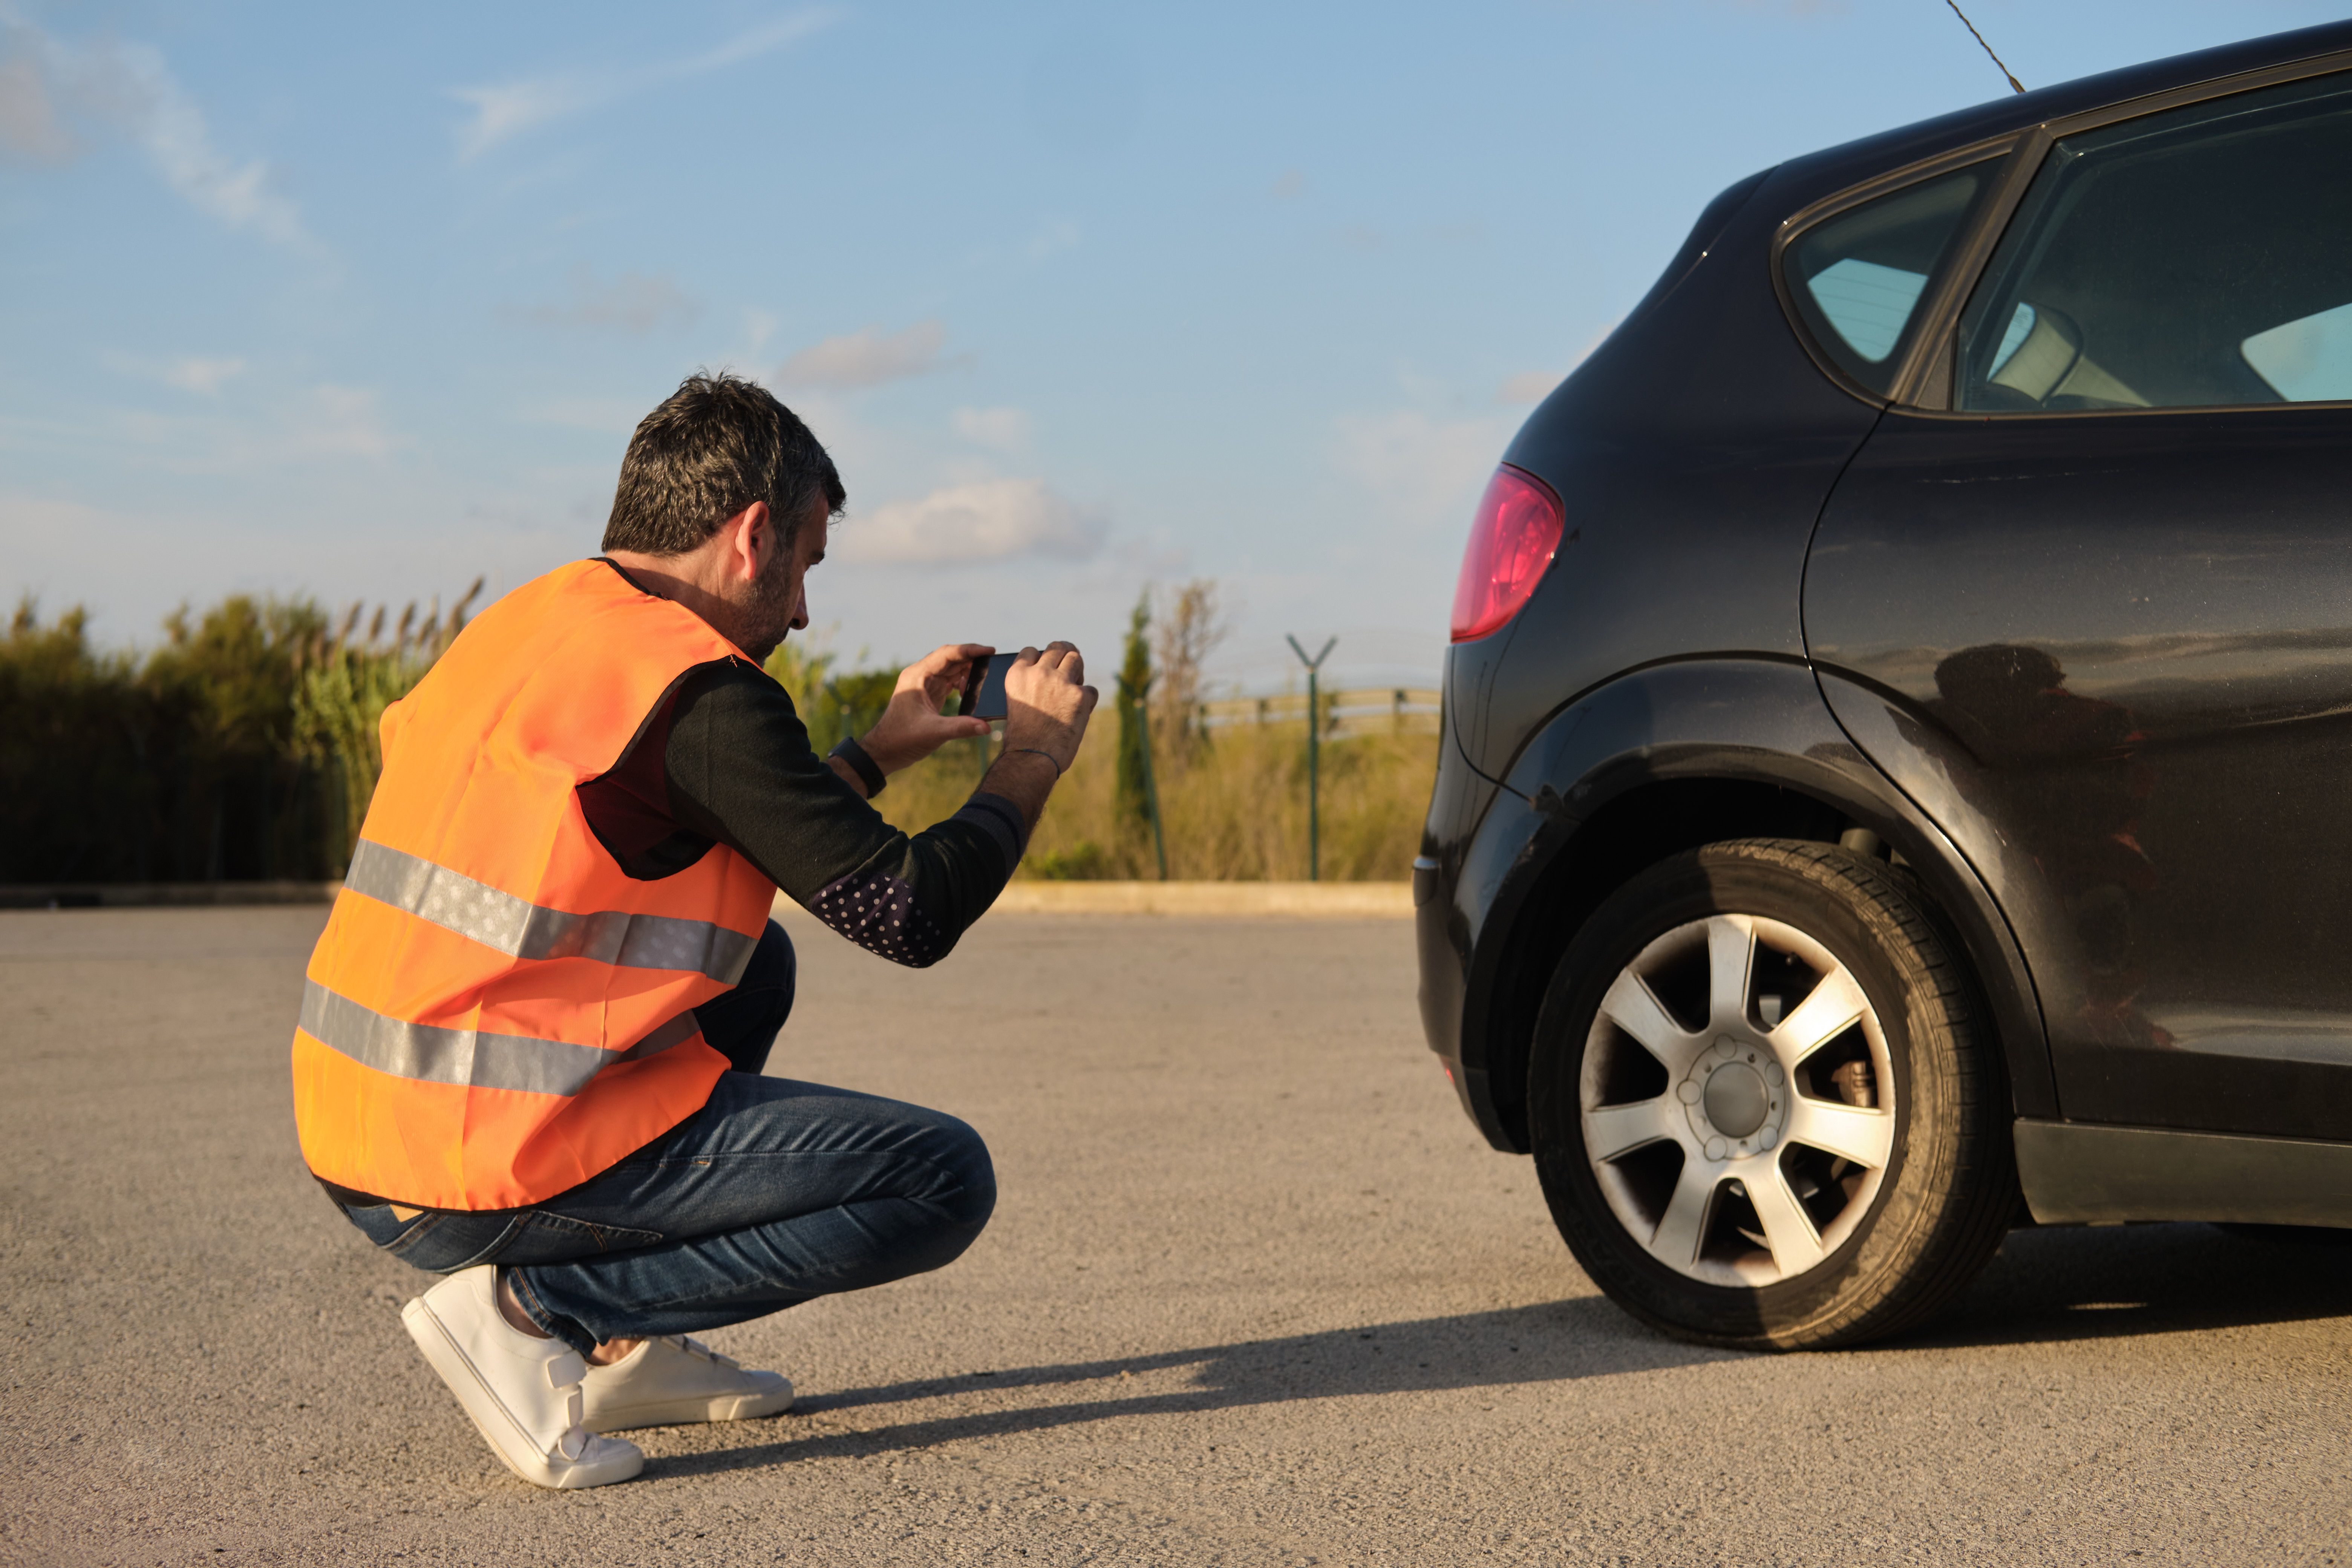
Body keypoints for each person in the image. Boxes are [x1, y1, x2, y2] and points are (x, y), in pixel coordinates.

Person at [290, 371, 1097, 1488]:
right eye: (808, 565)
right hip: (470, 1163)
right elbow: (908, 912)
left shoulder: (546, 620)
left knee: (750, 964)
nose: (804, 610)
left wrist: (882, 749)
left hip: (365, 1124)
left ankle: (626, 1350)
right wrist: (1032, 761)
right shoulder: (700, 689)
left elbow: (689, 820)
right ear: (753, 535)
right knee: (940, 1180)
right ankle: (539, 1314)